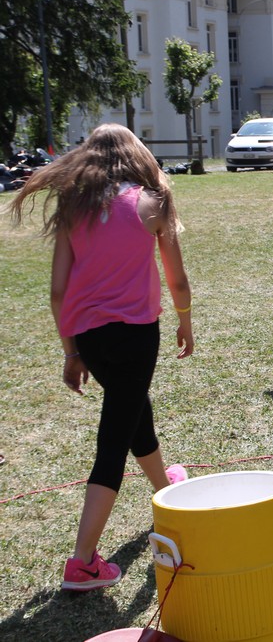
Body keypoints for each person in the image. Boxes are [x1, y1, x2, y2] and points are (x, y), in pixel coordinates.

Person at [8, 124, 194, 591]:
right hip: (135, 337)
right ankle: (83, 561)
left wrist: (71, 351)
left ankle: (165, 488)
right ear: (136, 155)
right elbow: (177, 279)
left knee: (133, 411)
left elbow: (56, 293)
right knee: (113, 440)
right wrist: (185, 318)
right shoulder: (152, 201)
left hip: (89, 338)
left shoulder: (74, 207)